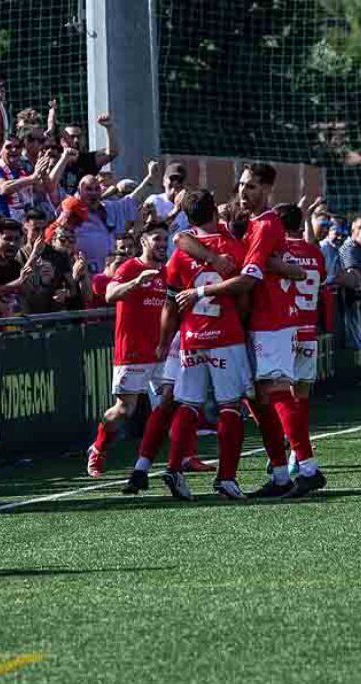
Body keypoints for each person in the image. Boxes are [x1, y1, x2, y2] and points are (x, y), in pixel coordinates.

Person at [174, 163, 324, 498]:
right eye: (242, 185)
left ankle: (309, 468)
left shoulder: (267, 224)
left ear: (268, 189)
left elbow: (250, 277)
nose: (244, 192)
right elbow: (181, 237)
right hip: (257, 322)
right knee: (257, 397)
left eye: (252, 187)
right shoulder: (247, 224)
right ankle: (282, 475)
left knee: (276, 390)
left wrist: (199, 292)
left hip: (271, 319)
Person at [157, 192, 251, 500]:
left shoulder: (179, 253)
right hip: (225, 335)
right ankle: (226, 478)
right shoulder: (232, 247)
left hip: (191, 336)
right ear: (214, 211)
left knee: (187, 403)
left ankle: (173, 467)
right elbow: (244, 296)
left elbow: (170, 304)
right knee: (230, 406)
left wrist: (163, 342)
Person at [86, 222, 169, 477]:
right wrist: (136, 282)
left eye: (166, 239)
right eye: (157, 239)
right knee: (125, 410)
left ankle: (184, 458)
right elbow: (110, 294)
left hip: (162, 351)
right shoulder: (130, 267)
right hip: (133, 350)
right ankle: (98, 448)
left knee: (172, 403)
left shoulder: (167, 272)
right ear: (143, 241)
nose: (162, 244)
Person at [275, 204, 329, 474]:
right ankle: (299, 453)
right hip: (309, 331)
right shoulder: (315, 253)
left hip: (282, 330)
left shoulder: (279, 252)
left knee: (277, 395)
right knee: (302, 397)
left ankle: (285, 452)